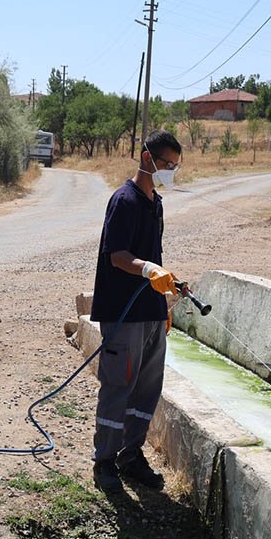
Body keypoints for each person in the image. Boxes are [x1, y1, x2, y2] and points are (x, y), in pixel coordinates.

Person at [89, 129, 183, 491]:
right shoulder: (123, 201)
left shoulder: (155, 203)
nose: (170, 171)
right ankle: (105, 462)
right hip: (123, 312)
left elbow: (153, 258)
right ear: (147, 158)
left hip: (150, 312)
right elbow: (119, 257)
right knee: (118, 386)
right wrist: (147, 269)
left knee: (146, 388)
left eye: (174, 166)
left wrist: (166, 294)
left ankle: (131, 455)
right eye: (166, 164)